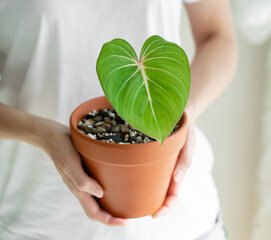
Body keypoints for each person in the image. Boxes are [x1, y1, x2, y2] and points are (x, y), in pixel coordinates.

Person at [0, 0, 237, 239]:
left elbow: (217, 36)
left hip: (182, 224)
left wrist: (183, 112)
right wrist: (43, 135)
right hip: (38, 218)